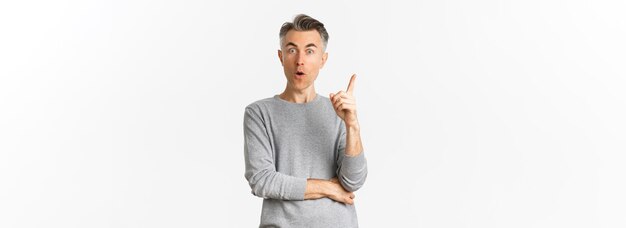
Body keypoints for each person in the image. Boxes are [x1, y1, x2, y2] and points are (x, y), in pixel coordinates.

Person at [243, 14, 368, 227]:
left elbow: (353, 181)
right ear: (281, 57)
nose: (300, 60)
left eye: (310, 51)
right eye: (292, 50)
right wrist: (328, 188)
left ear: (323, 59)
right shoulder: (259, 113)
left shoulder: (338, 111)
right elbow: (262, 180)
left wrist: (352, 125)